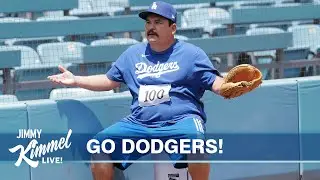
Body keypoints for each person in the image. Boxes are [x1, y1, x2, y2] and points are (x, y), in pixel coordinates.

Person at [48, 1, 236, 180]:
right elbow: (108, 80)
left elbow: (215, 82)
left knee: (197, 147)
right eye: (148, 22)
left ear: (173, 28)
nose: (151, 27)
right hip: (140, 123)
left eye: (158, 22)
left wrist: (229, 87)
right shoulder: (133, 54)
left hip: (181, 121)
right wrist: (76, 80)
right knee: (99, 146)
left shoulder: (191, 54)